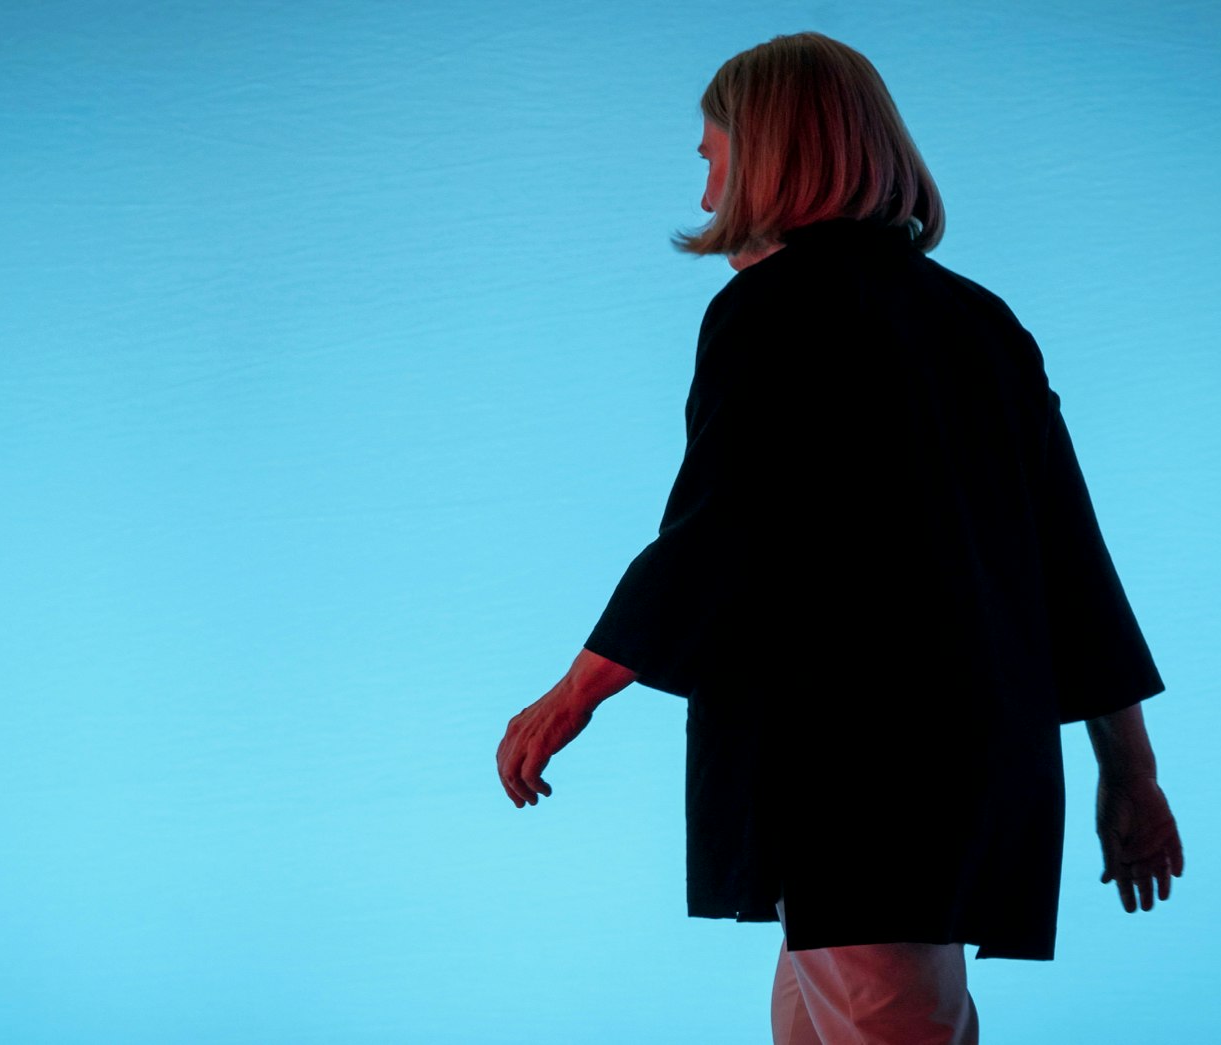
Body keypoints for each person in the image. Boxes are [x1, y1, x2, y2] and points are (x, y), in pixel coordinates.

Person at [496, 31, 1184, 1044]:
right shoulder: (984, 322)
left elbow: (718, 528)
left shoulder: (772, 312)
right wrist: (1131, 769)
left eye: (712, 157)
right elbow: (1069, 562)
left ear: (771, 151)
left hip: (849, 775)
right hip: (962, 772)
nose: (705, 195)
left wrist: (576, 689)